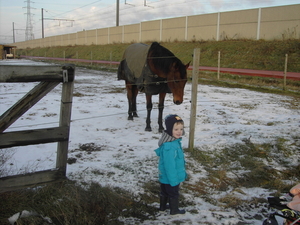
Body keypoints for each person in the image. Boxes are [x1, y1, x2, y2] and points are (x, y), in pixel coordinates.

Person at [154, 114, 187, 215]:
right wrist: (173, 179)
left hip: (166, 177)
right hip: (171, 176)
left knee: (165, 191)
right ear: (169, 129)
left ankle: (163, 206)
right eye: (176, 129)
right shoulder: (170, 146)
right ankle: (174, 210)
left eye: (181, 129)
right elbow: (169, 165)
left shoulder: (172, 141)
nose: (179, 132)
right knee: (173, 193)